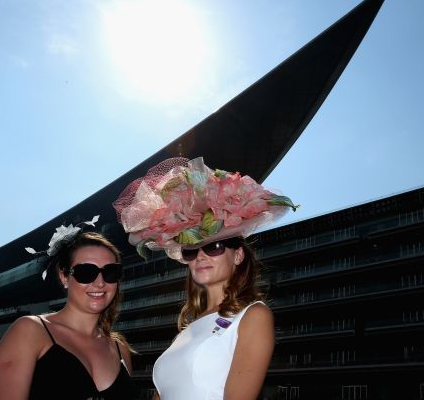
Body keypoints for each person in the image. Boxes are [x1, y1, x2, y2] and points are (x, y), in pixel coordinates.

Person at [113, 157, 298, 400]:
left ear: (239, 254)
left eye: (215, 246)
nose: (200, 256)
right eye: (191, 250)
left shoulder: (253, 316)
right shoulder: (186, 330)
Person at [0, 218, 138, 400]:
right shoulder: (30, 331)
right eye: (86, 272)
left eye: (110, 272)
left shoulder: (121, 350)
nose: (100, 283)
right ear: (64, 276)